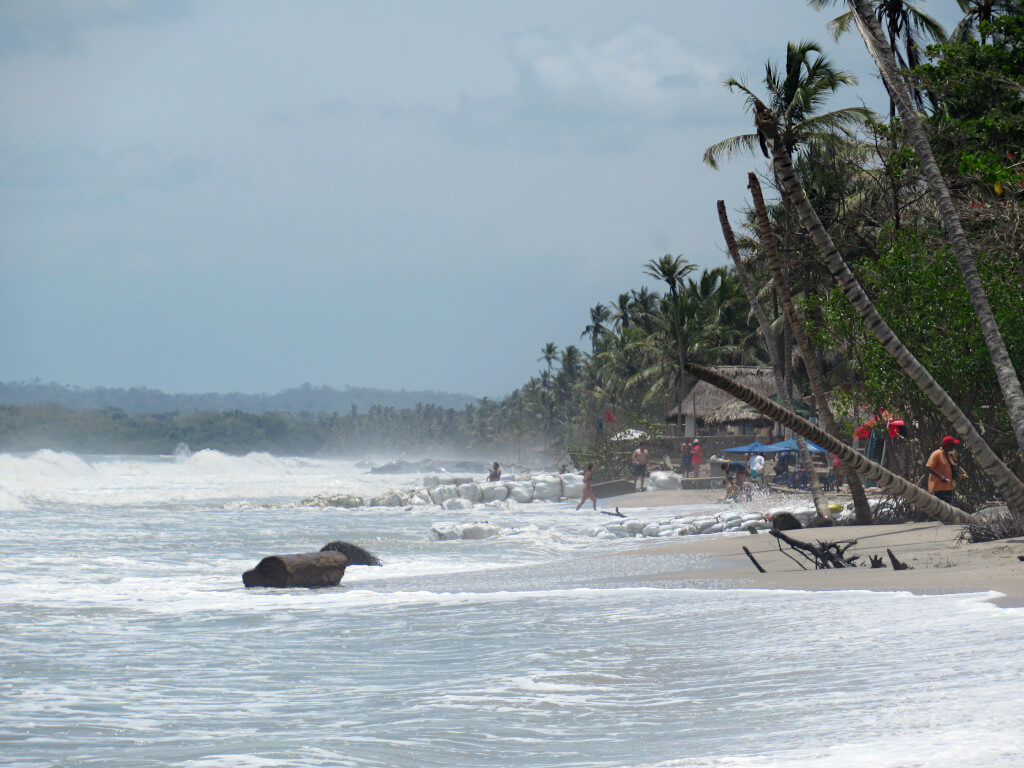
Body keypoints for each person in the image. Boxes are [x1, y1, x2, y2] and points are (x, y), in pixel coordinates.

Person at [926, 436, 961, 504]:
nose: (953, 447)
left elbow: (951, 469)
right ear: (947, 445)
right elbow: (929, 467)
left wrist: (957, 476)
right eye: (952, 445)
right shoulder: (936, 454)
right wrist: (940, 477)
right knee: (939, 510)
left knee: (947, 509)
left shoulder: (949, 455)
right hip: (938, 489)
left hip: (948, 488)